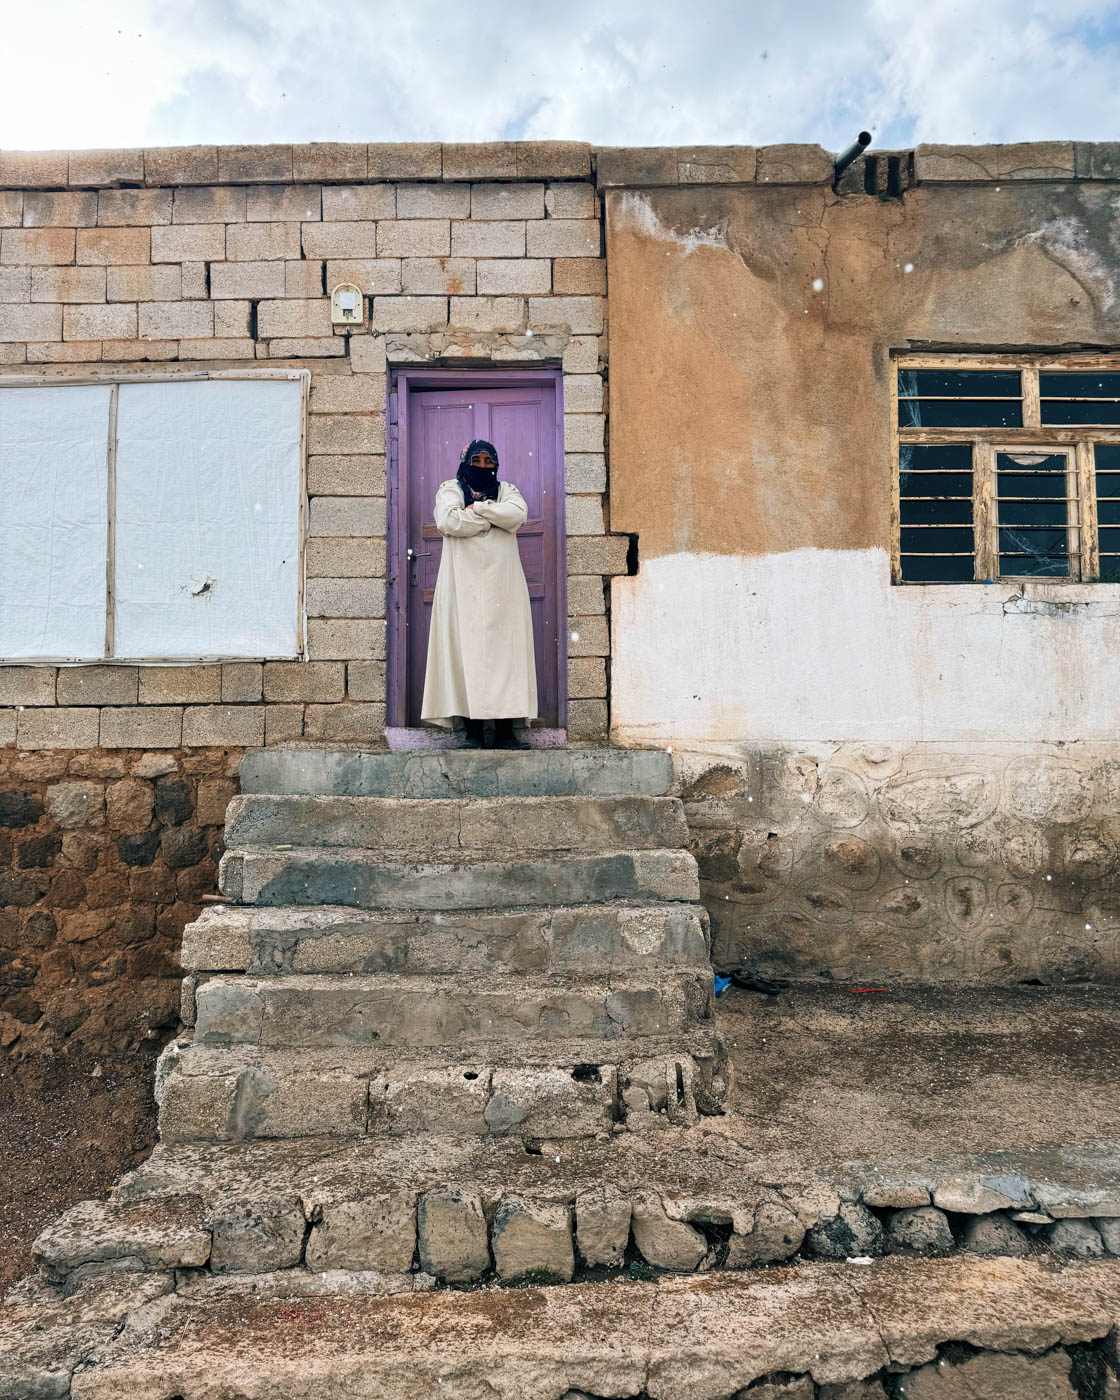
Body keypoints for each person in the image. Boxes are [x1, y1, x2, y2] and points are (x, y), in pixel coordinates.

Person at [421, 439, 537, 749]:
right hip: (463, 586)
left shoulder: (506, 491)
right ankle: (471, 732)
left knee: (506, 656)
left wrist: (480, 508)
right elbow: (448, 520)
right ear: (465, 462)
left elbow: (517, 515)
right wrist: (492, 521)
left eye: (489, 462)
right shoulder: (450, 489)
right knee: (466, 654)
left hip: (503, 587)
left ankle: (505, 733)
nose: (483, 467)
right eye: (477, 461)